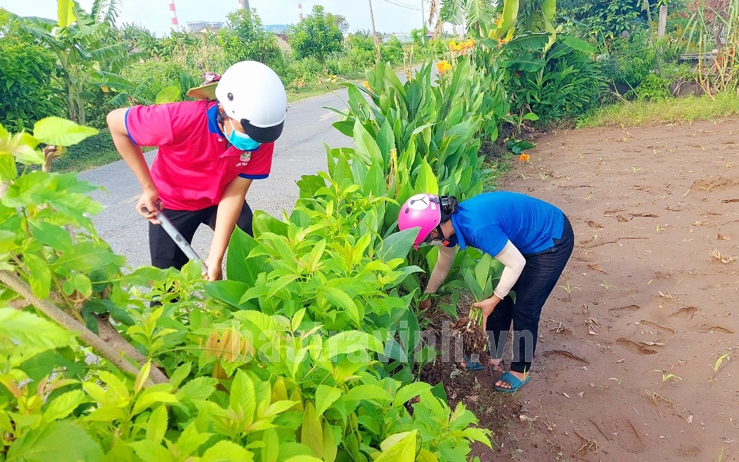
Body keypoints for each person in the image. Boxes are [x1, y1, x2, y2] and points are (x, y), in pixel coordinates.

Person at [107, 61, 287, 281]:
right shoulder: (178, 119)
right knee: (169, 285)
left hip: (221, 195)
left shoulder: (261, 135)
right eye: (245, 130)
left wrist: (215, 258)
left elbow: (235, 194)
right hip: (173, 202)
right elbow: (115, 122)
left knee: (255, 254)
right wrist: (147, 188)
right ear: (223, 109)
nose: (251, 141)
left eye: (258, 135)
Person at [398, 191, 574, 392]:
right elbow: (443, 264)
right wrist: (428, 294)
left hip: (551, 238)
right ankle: (492, 355)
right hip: (523, 241)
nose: (428, 243)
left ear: (434, 231)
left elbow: (516, 264)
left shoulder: (477, 227)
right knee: (501, 297)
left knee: (526, 307)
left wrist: (494, 299)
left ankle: (520, 370)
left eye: (426, 240)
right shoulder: (450, 228)